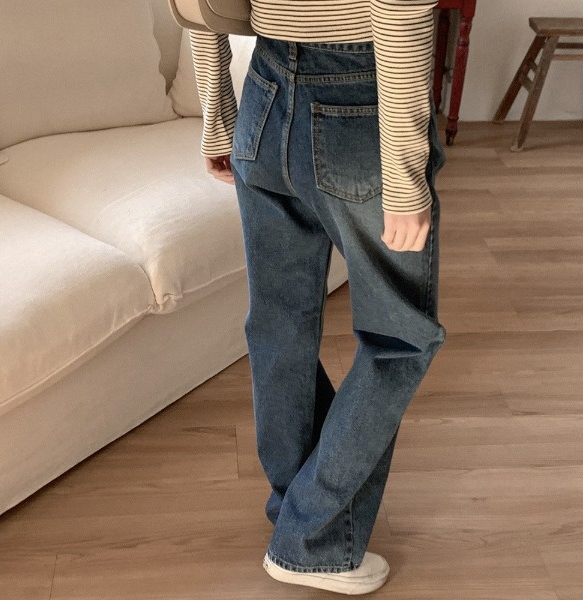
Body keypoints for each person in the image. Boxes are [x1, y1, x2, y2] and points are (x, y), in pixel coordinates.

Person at [189, 1, 446, 595]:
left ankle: (297, 513)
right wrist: (405, 178)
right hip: (360, 97)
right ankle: (310, 540)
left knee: (279, 325)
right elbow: (399, 9)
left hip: (264, 90)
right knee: (401, 338)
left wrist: (217, 112)